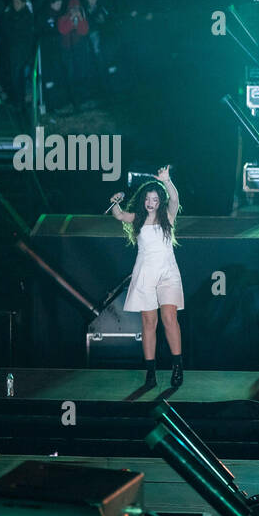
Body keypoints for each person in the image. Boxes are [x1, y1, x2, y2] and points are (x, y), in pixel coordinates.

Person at [109, 165, 184, 388]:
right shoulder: (138, 218)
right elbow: (120, 215)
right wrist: (115, 201)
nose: (151, 202)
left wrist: (167, 180)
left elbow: (175, 199)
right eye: (148, 199)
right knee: (148, 322)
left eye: (154, 199)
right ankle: (150, 372)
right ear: (143, 200)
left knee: (169, 317)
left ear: (159, 201)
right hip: (145, 274)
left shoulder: (168, 216)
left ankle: (177, 366)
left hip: (168, 273)